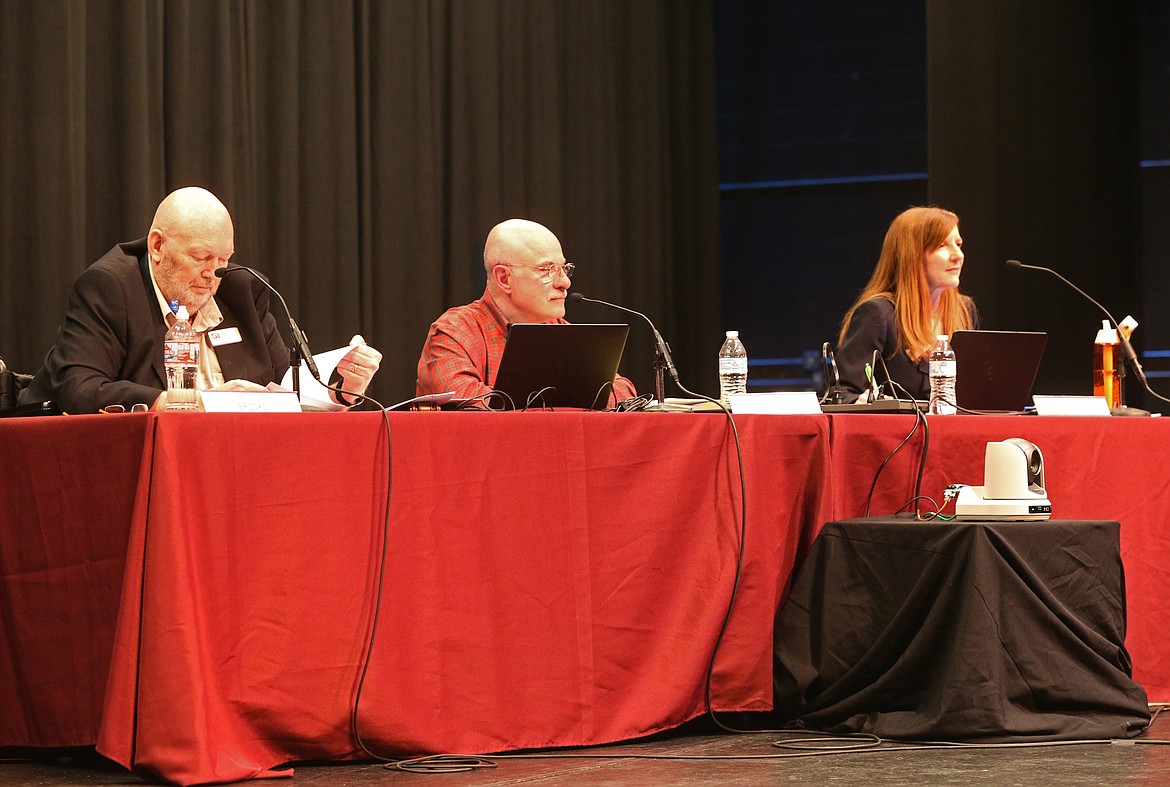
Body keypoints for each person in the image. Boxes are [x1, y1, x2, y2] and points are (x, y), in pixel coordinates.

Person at [20, 186, 381, 414]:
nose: (214, 273)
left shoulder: (243, 290)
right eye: (200, 257)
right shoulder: (110, 287)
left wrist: (339, 391)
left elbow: (281, 389)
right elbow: (79, 389)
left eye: (223, 259)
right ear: (158, 246)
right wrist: (194, 403)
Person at [416, 218, 636, 407]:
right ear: (504, 279)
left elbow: (624, 393)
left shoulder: (559, 328)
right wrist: (567, 398)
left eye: (564, 268)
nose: (565, 282)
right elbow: (463, 401)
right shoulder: (455, 331)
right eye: (547, 269)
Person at [836, 205, 978, 403]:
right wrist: (860, 402)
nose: (958, 255)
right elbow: (843, 394)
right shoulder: (879, 314)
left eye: (958, 244)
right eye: (942, 246)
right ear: (912, 256)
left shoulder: (964, 310)